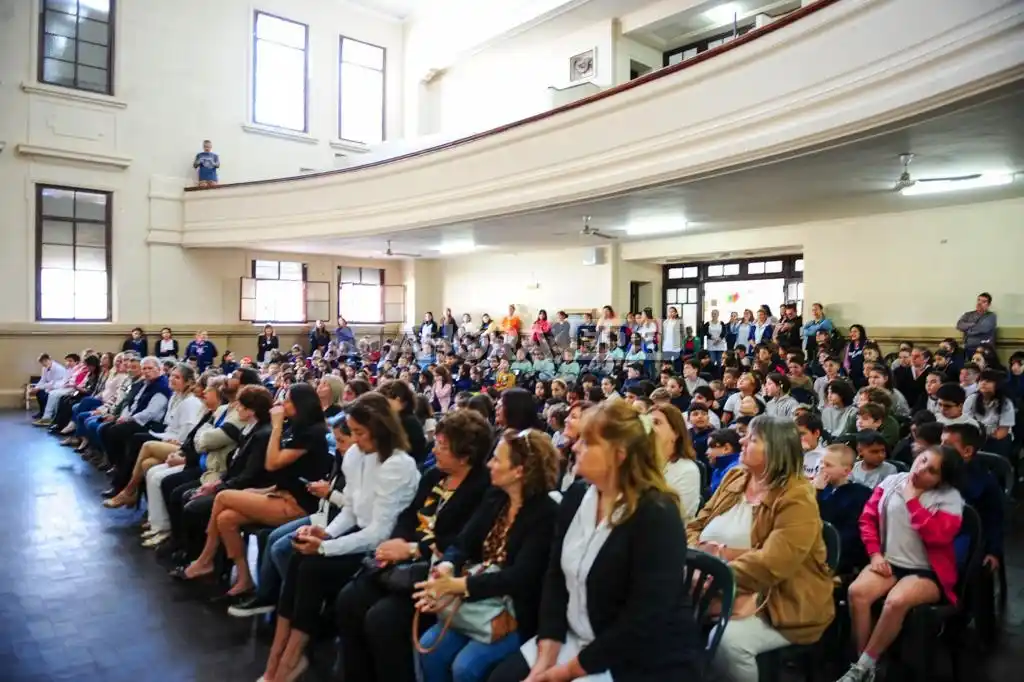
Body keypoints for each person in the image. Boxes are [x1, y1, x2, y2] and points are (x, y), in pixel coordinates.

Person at [488, 400, 702, 682]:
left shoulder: (656, 515)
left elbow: (644, 618)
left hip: (636, 655)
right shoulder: (577, 496)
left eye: (587, 443)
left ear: (618, 455)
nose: (575, 447)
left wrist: (565, 672)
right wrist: (546, 655)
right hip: (576, 637)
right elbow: (555, 578)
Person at [258, 392, 420, 682]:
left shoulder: (398, 465)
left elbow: (379, 532)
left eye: (359, 432)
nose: (354, 439)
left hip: (385, 547)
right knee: (298, 557)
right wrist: (326, 532)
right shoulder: (358, 455)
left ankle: (288, 660)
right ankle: (279, 656)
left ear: (380, 428)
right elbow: (352, 509)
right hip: (362, 535)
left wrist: (325, 548)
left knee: (311, 567)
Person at [335, 409, 494, 682]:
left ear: (465, 455)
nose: (436, 449)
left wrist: (412, 548)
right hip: (405, 558)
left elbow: (463, 539)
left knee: (384, 619)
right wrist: (397, 541)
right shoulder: (435, 475)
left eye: (443, 446)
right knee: (349, 598)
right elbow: (409, 516)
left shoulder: (484, 488)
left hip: (437, 571)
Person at [687, 415, 835, 682]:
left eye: (753, 439)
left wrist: (717, 571)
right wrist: (695, 562)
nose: (741, 441)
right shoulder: (735, 477)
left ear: (776, 450)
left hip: (780, 597)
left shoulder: (797, 496)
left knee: (728, 642)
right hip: (710, 581)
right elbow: (696, 525)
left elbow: (774, 561)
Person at [413, 428, 561, 682]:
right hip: (479, 601)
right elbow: (464, 541)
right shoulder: (496, 497)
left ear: (519, 471)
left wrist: (459, 585)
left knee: (466, 667)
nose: (489, 464)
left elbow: (520, 578)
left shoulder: (546, 514)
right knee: (429, 649)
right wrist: (448, 565)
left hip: (515, 610)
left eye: (497, 459)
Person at [176, 383, 331, 596]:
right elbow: (283, 475)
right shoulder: (294, 428)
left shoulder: (311, 433)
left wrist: (276, 426)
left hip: (298, 504)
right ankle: (244, 577)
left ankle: (206, 558)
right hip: (280, 492)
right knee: (226, 519)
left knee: (222, 496)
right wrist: (260, 492)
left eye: (287, 401)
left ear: (300, 405)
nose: (282, 405)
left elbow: (272, 464)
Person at [839, 446, 965, 682]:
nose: (920, 469)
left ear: (941, 480)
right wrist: (875, 554)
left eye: (932, 470)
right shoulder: (891, 480)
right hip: (890, 560)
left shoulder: (950, 499)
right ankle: (863, 666)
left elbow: (937, 537)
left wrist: (911, 501)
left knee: (895, 601)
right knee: (857, 592)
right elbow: (867, 518)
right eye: (923, 460)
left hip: (928, 570)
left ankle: (863, 665)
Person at [813, 444, 872, 574]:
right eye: (821, 462)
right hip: (814, 546)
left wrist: (816, 493)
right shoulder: (820, 488)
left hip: (840, 552)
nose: (822, 467)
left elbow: (829, 521)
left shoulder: (859, 494)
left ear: (846, 471)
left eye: (828, 465)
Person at [649, 403, 702, 521]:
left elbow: (674, 516)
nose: (650, 428)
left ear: (675, 433)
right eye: (648, 423)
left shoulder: (687, 470)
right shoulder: (640, 464)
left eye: (656, 422)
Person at [955, 292, 996, 357]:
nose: (979, 303)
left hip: (983, 349)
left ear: (988, 304)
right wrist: (973, 324)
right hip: (968, 347)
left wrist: (967, 329)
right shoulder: (968, 314)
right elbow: (959, 326)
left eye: (983, 301)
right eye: (978, 300)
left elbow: (983, 328)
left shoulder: (991, 316)